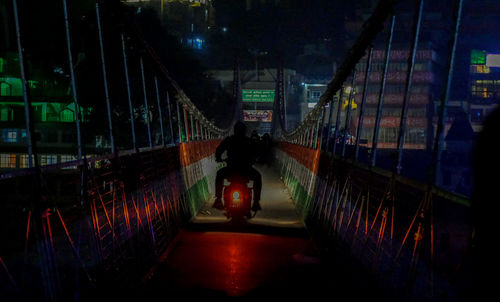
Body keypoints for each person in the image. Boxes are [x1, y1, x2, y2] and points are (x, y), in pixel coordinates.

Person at [212, 121, 262, 212]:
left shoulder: (229, 140)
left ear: (234, 130)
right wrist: (254, 159)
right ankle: (256, 202)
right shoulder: (249, 141)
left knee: (219, 174)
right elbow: (257, 153)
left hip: (231, 169)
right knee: (258, 177)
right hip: (246, 170)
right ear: (245, 131)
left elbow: (219, 150)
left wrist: (218, 158)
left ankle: (218, 199)